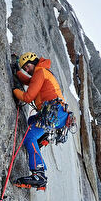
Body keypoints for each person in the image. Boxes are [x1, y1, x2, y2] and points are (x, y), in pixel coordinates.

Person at [12, 52, 69, 189]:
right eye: (24, 68)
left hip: (53, 113)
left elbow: (27, 97)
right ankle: (41, 139)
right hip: (58, 115)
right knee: (32, 120)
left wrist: (14, 90)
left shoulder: (40, 72)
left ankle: (39, 174)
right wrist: (17, 71)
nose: (26, 70)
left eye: (27, 66)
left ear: (33, 61)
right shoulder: (42, 72)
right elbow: (28, 81)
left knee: (29, 136)